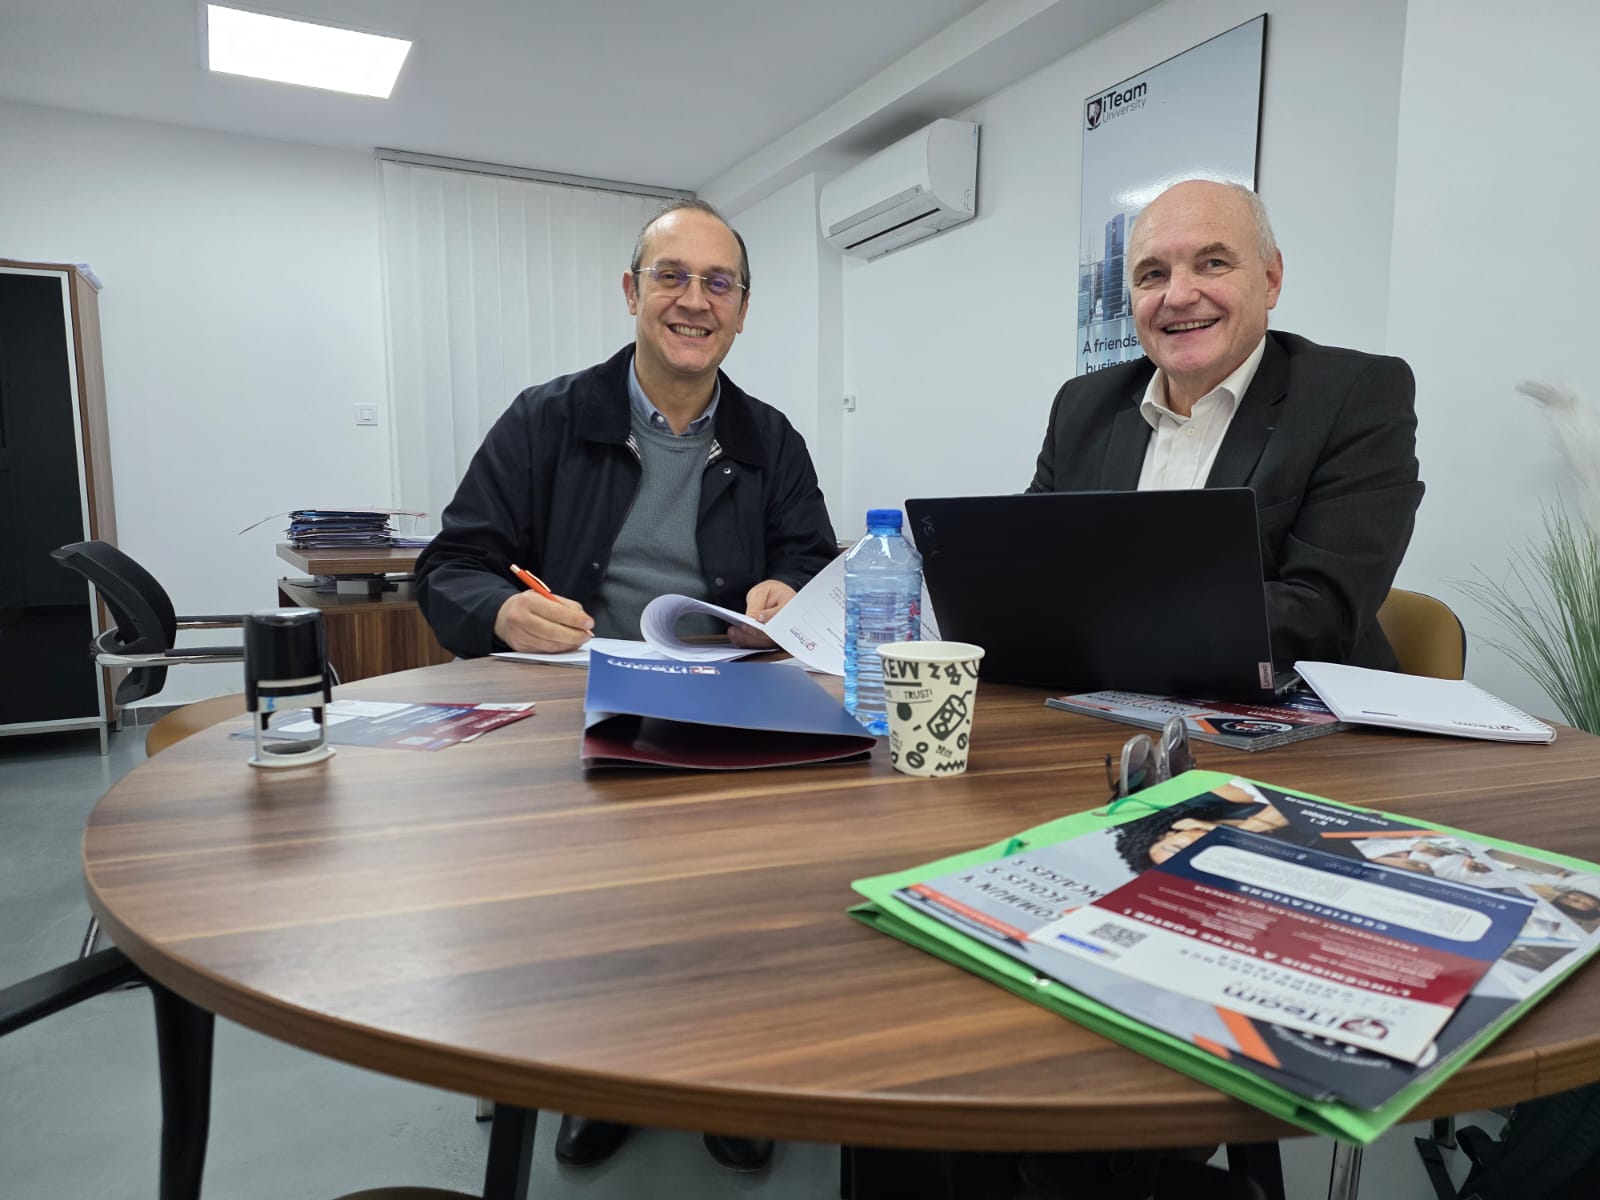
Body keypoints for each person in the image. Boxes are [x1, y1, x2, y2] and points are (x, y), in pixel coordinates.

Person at [415, 198, 838, 1173]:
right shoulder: (546, 418)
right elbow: (452, 564)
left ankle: (729, 1076)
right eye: (671, 277)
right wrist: (502, 612)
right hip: (576, 700)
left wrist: (790, 590)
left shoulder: (771, 438)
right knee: (587, 914)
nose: (694, 300)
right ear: (631, 293)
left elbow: (814, 567)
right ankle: (594, 1072)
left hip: (725, 698)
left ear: (741, 310)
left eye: (717, 283)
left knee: (741, 903)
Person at [1027, 179, 1424, 669]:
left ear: (1271, 277)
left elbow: (1322, 612)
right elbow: (1031, 571)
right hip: (1097, 700)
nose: (1178, 295)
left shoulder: (1354, 395)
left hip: (1291, 717)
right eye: (1152, 274)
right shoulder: (1082, 405)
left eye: (1212, 264)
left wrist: (1115, 616)